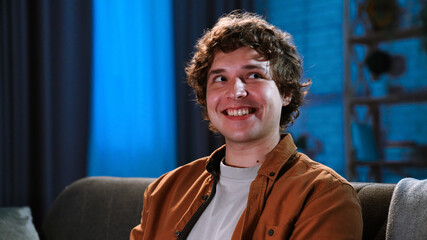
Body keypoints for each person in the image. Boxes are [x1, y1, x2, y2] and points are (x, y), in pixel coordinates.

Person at [130, 11, 363, 240]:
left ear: (286, 93)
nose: (236, 92)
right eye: (220, 79)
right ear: (205, 96)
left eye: (254, 75)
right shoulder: (164, 190)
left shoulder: (324, 196)